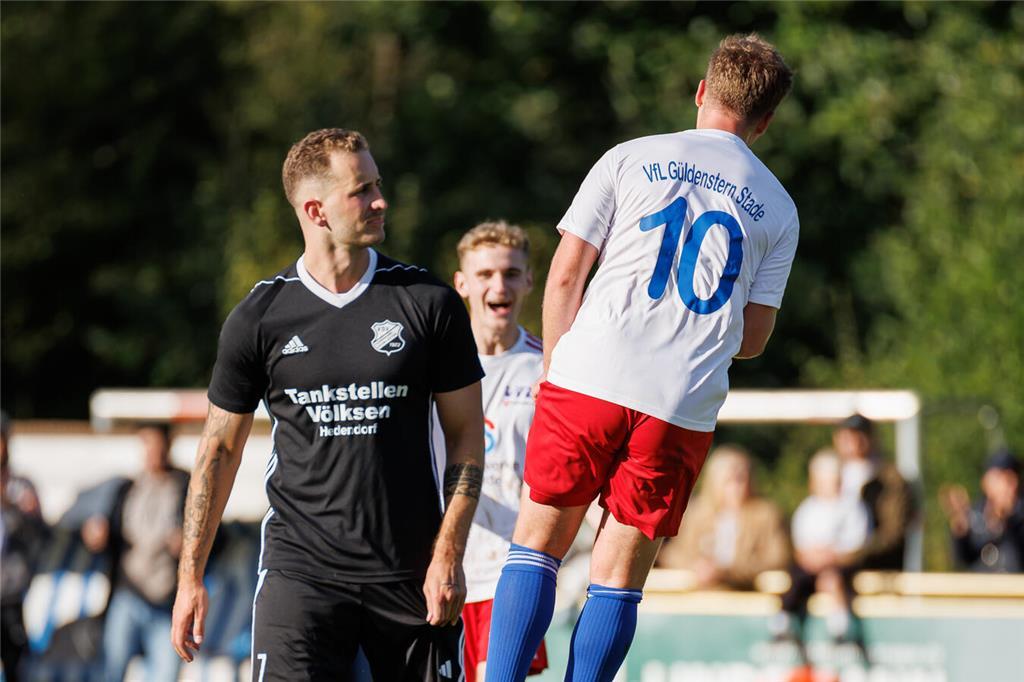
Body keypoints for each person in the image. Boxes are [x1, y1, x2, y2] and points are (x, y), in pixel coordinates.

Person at [485, 34, 798, 682]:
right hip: (679, 401)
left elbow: (568, 273)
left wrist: (553, 368)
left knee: (538, 543)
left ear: (701, 92)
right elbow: (754, 339)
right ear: (765, 122)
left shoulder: (631, 157)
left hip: (590, 376)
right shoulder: (779, 207)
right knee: (618, 575)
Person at [169, 128, 485, 681]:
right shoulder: (259, 317)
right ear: (316, 210)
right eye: (362, 191)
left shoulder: (427, 302)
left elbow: (465, 436)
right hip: (301, 574)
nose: (380, 200)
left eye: (377, 185)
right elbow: (219, 449)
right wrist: (190, 576)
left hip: (411, 574)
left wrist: (449, 553)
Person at [441, 221, 549, 682]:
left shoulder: (549, 367)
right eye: (484, 274)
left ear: (528, 280)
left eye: (510, 272)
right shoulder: (435, 364)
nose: (498, 285)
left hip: (512, 572)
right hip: (441, 568)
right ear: (462, 283)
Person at [81, 423, 189, 682]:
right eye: (147, 446)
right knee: (111, 670)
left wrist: (189, 546)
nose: (152, 453)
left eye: (156, 446)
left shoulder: (186, 486)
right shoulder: (127, 488)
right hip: (128, 593)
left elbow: (216, 537)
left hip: (167, 600)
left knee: (164, 674)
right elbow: (109, 533)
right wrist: (97, 534)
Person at [657, 445, 790, 590]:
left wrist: (727, 572)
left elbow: (778, 559)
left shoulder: (766, 514)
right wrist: (695, 566)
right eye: (730, 480)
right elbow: (672, 553)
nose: (737, 486)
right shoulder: (697, 513)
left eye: (742, 478)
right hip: (699, 596)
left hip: (747, 595)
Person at [773, 449, 870, 644]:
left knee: (833, 580)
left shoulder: (852, 507)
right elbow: (800, 546)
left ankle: (840, 626)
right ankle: (783, 620)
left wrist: (832, 556)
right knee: (795, 580)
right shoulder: (808, 508)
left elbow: (858, 542)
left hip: (840, 564)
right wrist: (813, 558)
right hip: (810, 566)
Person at [832, 414, 915, 570]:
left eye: (859, 436)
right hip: (832, 565)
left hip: (876, 566)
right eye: (847, 437)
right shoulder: (829, 473)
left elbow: (892, 534)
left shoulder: (891, 480)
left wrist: (853, 554)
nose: (853, 443)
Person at [1, 411, 47, 682]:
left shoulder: (21, 485)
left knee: (18, 666)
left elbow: (41, 535)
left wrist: (24, 513)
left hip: (10, 594)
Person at [939, 448, 1024, 572]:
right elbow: (963, 559)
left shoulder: (1020, 514)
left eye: (1012, 477)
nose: (1009, 484)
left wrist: (1008, 519)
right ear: (986, 481)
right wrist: (960, 526)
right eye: (1002, 477)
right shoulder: (975, 513)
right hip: (981, 588)